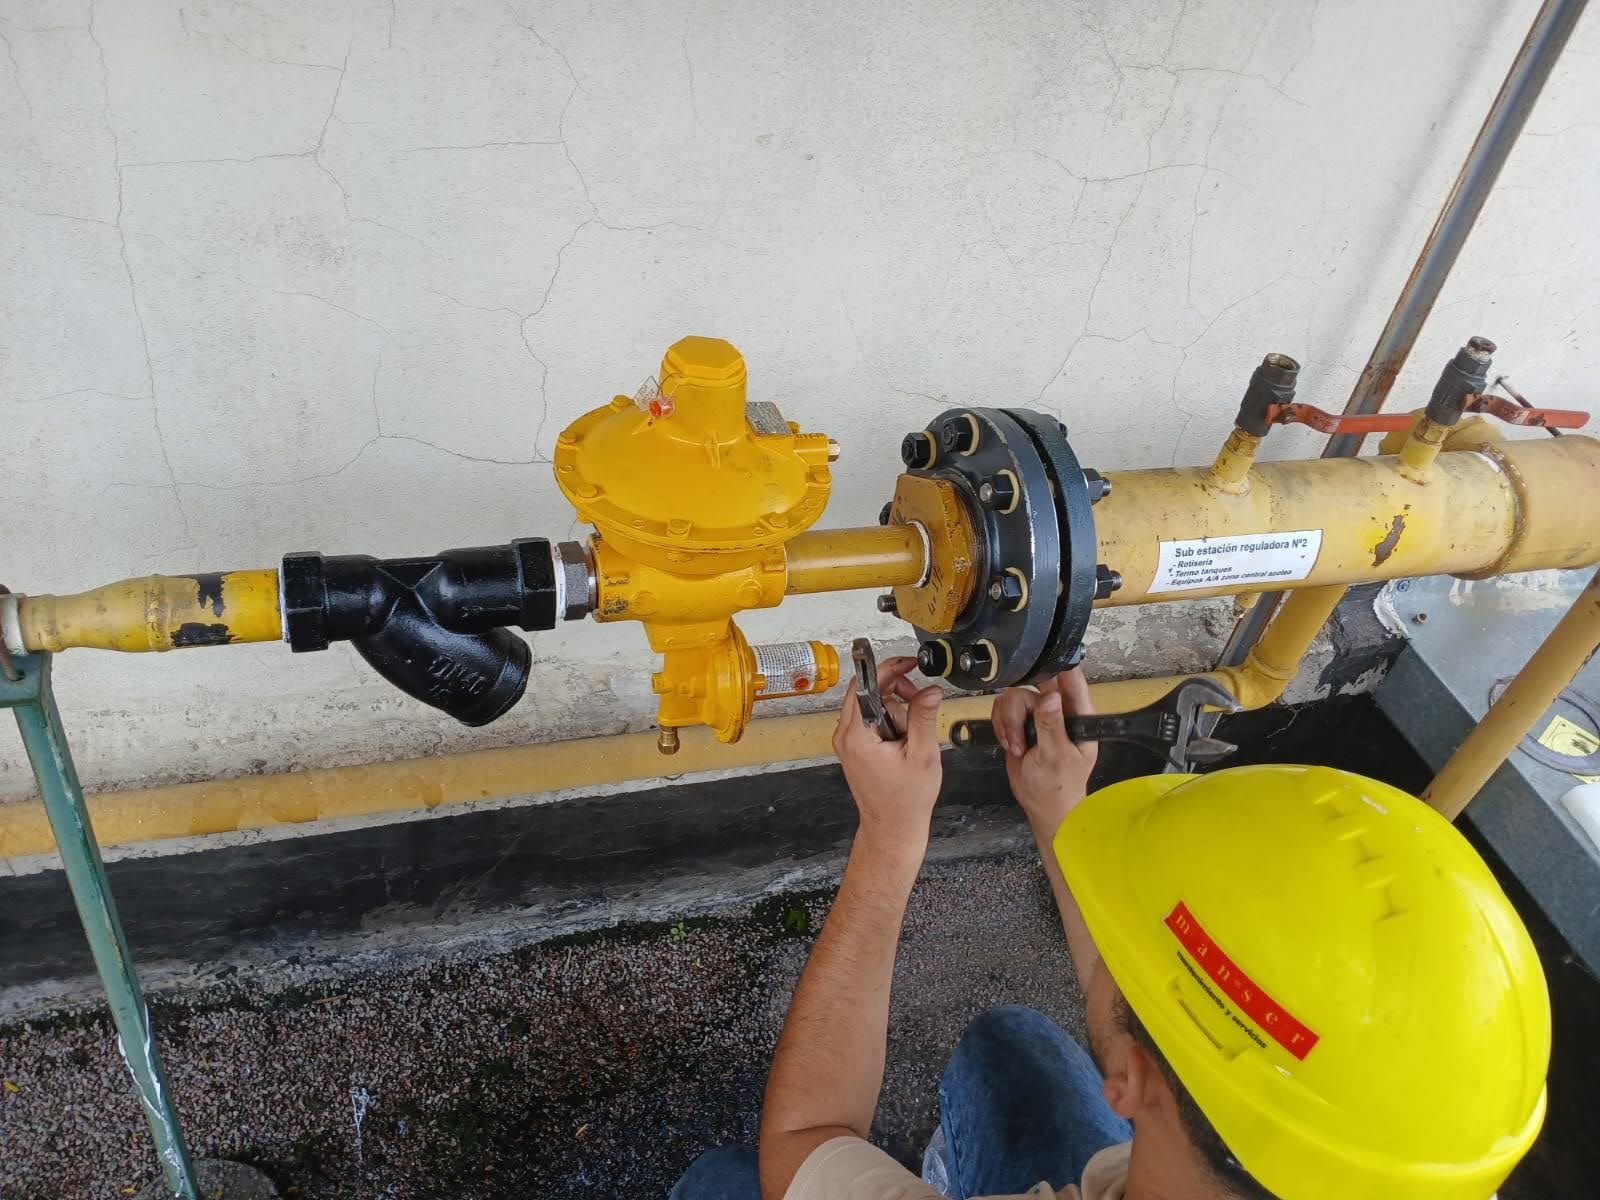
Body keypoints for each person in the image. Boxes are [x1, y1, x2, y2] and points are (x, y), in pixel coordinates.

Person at [671, 657, 1551, 1200]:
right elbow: (1158, 1023)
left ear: (1127, 1079)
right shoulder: (1425, 1154)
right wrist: (1060, 808)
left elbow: (805, 1140)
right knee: (1010, 1051)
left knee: (723, 1182)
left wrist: (891, 836)